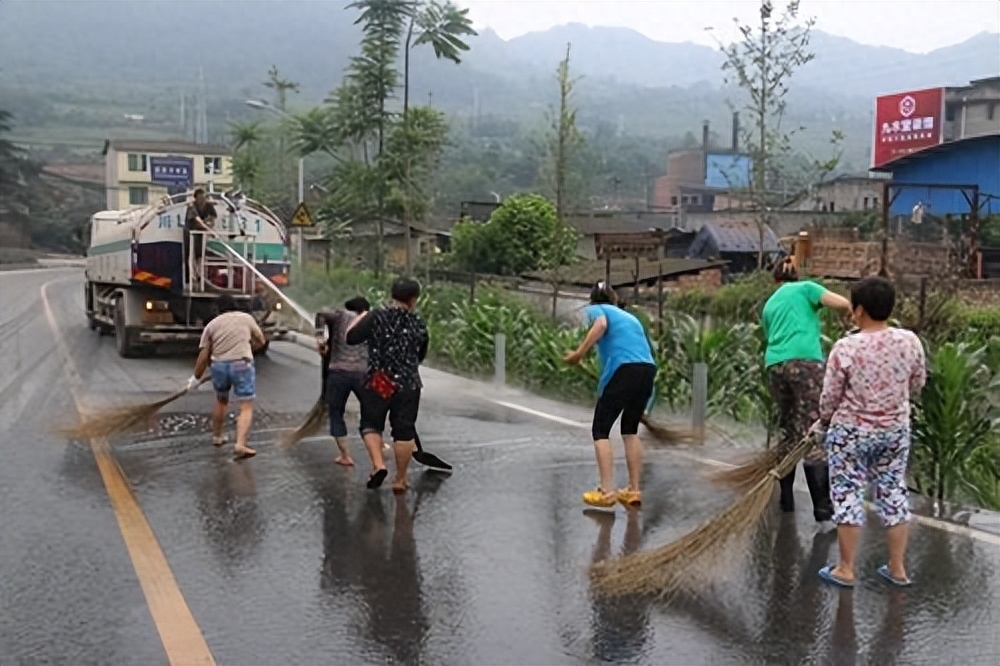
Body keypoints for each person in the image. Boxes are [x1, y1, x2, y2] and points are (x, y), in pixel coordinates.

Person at [815, 277, 926, 588]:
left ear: (859, 310)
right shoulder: (910, 341)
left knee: (848, 492)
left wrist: (823, 421)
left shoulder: (846, 347)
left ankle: (846, 569)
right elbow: (917, 383)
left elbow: (830, 396)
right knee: (893, 491)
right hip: (894, 431)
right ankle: (898, 568)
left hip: (852, 433)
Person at [760, 257, 851, 524]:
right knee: (814, 427)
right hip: (805, 362)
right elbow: (843, 303)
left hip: (775, 366)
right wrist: (847, 321)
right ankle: (822, 506)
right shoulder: (806, 288)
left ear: (775, 280)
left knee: (788, 428)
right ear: (795, 276)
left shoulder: (769, 305)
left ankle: (786, 498)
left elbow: (770, 336)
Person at [564, 282, 657, 509]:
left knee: (600, 430)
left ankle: (606, 491)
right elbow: (643, 356)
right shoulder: (630, 318)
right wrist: (647, 404)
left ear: (593, 300)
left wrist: (578, 354)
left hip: (624, 370)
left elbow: (601, 324)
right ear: (614, 298)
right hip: (647, 370)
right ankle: (634, 490)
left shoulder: (598, 310)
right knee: (630, 429)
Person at [345, 278, 428, 493]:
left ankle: (378, 465)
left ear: (393, 295)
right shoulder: (418, 323)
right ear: (413, 300)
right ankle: (400, 480)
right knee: (404, 432)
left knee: (371, 424)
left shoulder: (377, 317)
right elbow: (421, 354)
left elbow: (351, 338)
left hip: (379, 381)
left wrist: (363, 318)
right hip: (409, 383)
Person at [189, 294, 266, 459]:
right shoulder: (246, 318)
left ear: (218, 309)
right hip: (241, 365)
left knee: (221, 401)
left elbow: (204, 354)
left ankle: (217, 437)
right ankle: (240, 444)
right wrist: (249, 348)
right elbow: (261, 340)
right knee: (245, 406)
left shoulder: (212, 325)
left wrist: (196, 377)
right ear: (235, 305)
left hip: (219, 366)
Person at [314, 296, 371, 467]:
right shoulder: (371, 321)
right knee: (370, 412)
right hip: (363, 373)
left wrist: (319, 337)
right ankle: (378, 446)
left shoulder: (339, 316)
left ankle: (345, 456)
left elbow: (321, 313)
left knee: (336, 413)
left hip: (339, 373)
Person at [184, 188, 217, 285]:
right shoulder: (192, 206)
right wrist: (207, 228)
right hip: (191, 233)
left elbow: (213, 216)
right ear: (196, 198)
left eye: (204, 197)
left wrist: (210, 223)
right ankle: (193, 275)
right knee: (191, 254)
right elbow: (196, 220)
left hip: (202, 234)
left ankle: (201, 275)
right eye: (200, 198)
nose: (202, 200)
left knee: (201, 254)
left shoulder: (209, 206)